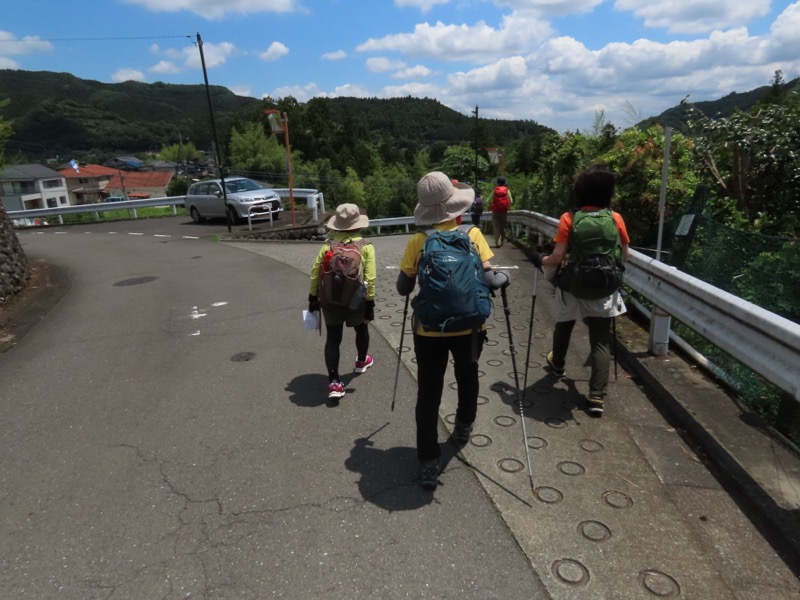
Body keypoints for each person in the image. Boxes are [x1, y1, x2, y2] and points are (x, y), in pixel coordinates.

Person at [396, 172, 510, 489]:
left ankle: (429, 461)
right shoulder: (472, 234)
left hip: (429, 331)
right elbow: (489, 278)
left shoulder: (418, 241)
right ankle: (462, 427)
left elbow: (403, 287)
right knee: (468, 377)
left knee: (429, 392)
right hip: (470, 327)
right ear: (454, 205)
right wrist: (500, 279)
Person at [531, 164, 630, 417]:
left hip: (574, 284)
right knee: (600, 340)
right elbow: (624, 254)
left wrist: (540, 260)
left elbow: (557, 256)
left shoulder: (570, 218)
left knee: (564, 324)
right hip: (605, 285)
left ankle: (558, 364)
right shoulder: (615, 218)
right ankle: (596, 396)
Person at [308, 203, 377, 404]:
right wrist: (370, 302)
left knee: (333, 339)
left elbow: (314, 272)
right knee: (361, 329)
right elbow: (370, 278)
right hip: (355, 301)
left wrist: (313, 297)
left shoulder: (328, 246)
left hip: (330, 300)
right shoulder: (366, 247)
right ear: (358, 224)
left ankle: (334, 382)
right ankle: (361, 360)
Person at [489, 176, 513, 247]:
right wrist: (508, 205)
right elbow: (511, 201)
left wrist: (490, 205)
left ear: (497, 183)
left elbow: (488, 200)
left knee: (496, 227)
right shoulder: (507, 190)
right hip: (504, 211)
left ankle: (497, 242)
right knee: (502, 227)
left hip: (495, 211)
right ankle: (501, 240)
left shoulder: (494, 190)